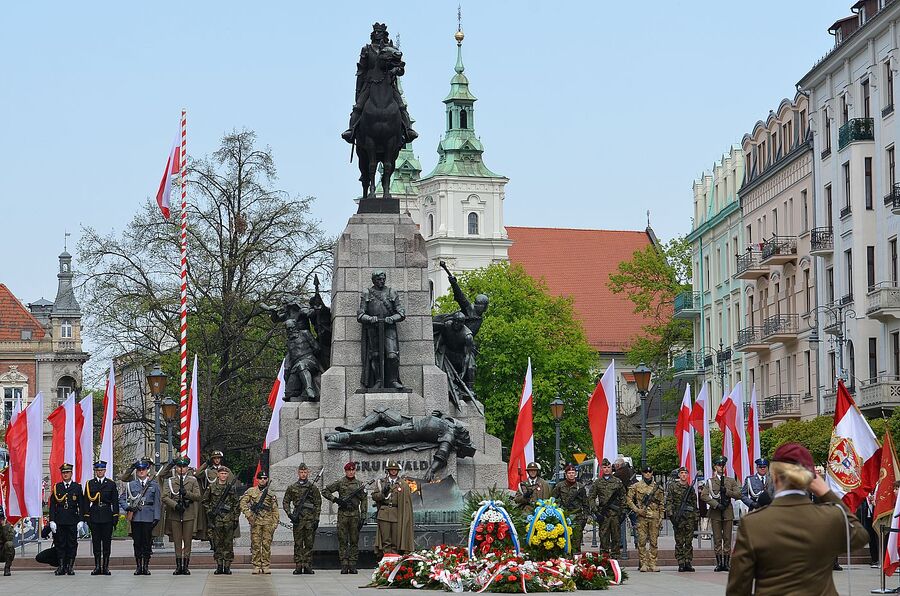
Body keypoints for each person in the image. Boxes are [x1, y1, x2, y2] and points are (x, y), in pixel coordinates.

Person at [726, 442, 869, 596]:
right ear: (810, 479)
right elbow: (861, 536)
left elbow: (738, 589)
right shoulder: (830, 516)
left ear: (773, 475)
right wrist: (827, 493)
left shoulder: (752, 524)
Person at [341, 22, 417, 144]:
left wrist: (396, 70)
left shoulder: (392, 50)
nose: (378, 34)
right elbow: (361, 70)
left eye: (380, 32)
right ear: (372, 34)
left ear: (384, 34)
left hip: (388, 83)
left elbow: (401, 68)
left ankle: (408, 130)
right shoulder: (366, 49)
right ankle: (351, 130)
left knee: (401, 106)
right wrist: (359, 89)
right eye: (376, 32)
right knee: (358, 107)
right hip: (370, 83)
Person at [358, 271, 406, 389]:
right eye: (379, 279)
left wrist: (392, 318)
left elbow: (401, 313)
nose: (382, 281)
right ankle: (378, 380)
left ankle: (393, 380)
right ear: (373, 280)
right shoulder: (367, 293)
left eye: (383, 279)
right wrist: (370, 318)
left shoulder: (391, 292)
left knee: (392, 356)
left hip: (388, 327)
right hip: (373, 328)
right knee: (375, 355)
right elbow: (360, 315)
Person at [323, 462, 369, 574]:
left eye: (353, 470)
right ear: (346, 471)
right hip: (343, 515)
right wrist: (336, 500)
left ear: (355, 471)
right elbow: (325, 491)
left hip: (355, 515)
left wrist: (363, 515)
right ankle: (344, 564)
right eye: (349, 470)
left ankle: (352, 564)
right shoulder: (340, 482)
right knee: (343, 540)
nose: (351, 472)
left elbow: (364, 500)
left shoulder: (359, 484)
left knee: (354, 540)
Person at [161, 456, 202, 575]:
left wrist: (187, 493)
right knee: (177, 541)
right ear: (176, 467)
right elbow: (164, 497)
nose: (182, 469)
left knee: (188, 541)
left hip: (188, 513)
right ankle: (178, 566)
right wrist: (175, 505)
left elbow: (198, 496)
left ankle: (186, 566)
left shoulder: (193, 480)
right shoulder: (170, 480)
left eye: (184, 466)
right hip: (175, 514)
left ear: (187, 467)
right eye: (179, 466)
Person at [120, 459, 161, 575]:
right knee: (137, 543)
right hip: (136, 517)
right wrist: (128, 508)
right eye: (139, 470)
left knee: (147, 543)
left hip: (148, 516)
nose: (141, 472)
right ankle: (138, 567)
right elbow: (122, 498)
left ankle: (146, 566)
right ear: (137, 471)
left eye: (143, 469)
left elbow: (157, 502)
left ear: (147, 470)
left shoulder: (154, 485)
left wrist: (156, 516)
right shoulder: (131, 484)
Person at [700, 455, 741, 571]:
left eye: (722, 465)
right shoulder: (710, 481)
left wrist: (726, 491)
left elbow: (738, 494)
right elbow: (704, 495)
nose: (721, 467)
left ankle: (726, 563)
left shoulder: (730, 480)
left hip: (727, 512)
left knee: (727, 538)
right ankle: (719, 563)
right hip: (716, 512)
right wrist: (716, 504)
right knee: (717, 539)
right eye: (719, 465)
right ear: (715, 467)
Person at [283, 463, 322, 575]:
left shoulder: (313, 487)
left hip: (310, 520)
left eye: (305, 472)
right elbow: (286, 501)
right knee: (298, 543)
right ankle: (298, 565)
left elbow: (318, 503)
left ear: (308, 473)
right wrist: (290, 514)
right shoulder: (292, 487)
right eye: (301, 472)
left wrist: (317, 519)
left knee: (309, 543)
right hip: (298, 520)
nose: (303, 474)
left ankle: (308, 565)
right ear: (298, 473)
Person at [82, 460, 119, 575]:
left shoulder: (111, 484)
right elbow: (85, 502)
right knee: (96, 543)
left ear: (105, 471)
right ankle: (97, 566)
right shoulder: (90, 484)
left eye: (102, 470)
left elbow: (115, 502)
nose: (100, 472)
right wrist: (87, 516)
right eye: (98, 470)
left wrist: (115, 516)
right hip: (94, 515)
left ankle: (105, 567)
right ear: (95, 471)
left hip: (107, 515)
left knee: (107, 543)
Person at [240, 470, 280, 575]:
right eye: (261, 478)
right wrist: (248, 515)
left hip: (267, 522)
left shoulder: (271, 494)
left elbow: (275, 509)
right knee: (256, 544)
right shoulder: (251, 491)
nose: (263, 480)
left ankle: (266, 565)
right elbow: (243, 502)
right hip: (255, 521)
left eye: (265, 478)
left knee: (266, 545)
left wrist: (275, 523)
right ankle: (256, 565)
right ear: (257, 479)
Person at [371, 460, 414, 559]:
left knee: (395, 540)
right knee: (386, 540)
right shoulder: (381, 482)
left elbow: (406, 502)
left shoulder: (403, 484)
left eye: (395, 470)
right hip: (384, 514)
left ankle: (394, 561)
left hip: (396, 514)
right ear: (388, 470)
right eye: (391, 469)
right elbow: (374, 497)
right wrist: (383, 494)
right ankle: (386, 560)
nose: (393, 471)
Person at [626, 465, 664, 572]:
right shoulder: (636, 486)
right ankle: (643, 563)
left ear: (652, 473)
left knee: (653, 541)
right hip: (641, 517)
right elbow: (629, 499)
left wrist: (661, 517)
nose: (648, 474)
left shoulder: (658, 487)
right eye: (645, 472)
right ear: (642, 473)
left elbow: (661, 504)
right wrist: (637, 510)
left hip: (654, 517)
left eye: (650, 472)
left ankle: (653, 563)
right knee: (641, 541)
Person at [49, 462, 84, 576]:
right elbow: (52, 506)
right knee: (60, 544)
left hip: (72, 520)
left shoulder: (77, 487)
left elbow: (81, 505)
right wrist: (52, 520)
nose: (65, 475)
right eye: (63, 473)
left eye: (67, 472)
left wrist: (81, 520)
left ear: (71, 473)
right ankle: (61, 566)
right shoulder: (57, 487)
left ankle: (70, 566)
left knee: (72, 544)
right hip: (60, 520)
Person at [203, 467, 239, 575]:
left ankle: (227, 566)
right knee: (217, 543)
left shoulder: (231, 488)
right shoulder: (212, 487)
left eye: (225, 473)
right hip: (216, 520)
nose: (223, 475)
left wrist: (235, 517)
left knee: (228, 544)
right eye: (221, 473)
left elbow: (236, 504)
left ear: (227, 475)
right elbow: (205, 501)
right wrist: (210, 511)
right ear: (218, 474)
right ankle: (219, 566)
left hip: (228, 519)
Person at [589, 458, 626, 559]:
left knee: (616, 538)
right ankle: (604, 559)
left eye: (608, 467)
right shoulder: (597, 482)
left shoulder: (617, 482)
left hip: (615, 515)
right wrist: (595, 512)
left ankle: (615, 560)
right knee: (604, 538)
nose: (606, 469)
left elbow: (623, 497)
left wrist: (622, 513)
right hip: (603, 515)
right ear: (601, 468)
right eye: (604, 467)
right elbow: (591, 497)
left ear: (611, 468)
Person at [666, 466, 698, 572]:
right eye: (682, 473)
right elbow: (669, 501)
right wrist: (671, 515)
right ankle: (680, 562)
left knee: (688, 541)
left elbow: (694, 504)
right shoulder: (673, 487)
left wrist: (695, 518)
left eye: (685, 473)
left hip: (689, 518)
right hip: (678, 518)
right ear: (679, 475)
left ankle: (688, 562)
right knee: (679, 541)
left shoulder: (690, 489)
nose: (684, 475)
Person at [551, 464, 588, 554]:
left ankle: (576, 560)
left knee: (577, 539)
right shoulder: (560, 486)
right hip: (564, 516)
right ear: (566, 474)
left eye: (573, 473)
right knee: (564, 539)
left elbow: (585, 503)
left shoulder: (580, 486)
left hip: (577, 516)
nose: (571, 475)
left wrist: (585, 517)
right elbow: (552, 499)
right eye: (569, 473)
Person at [614, 457, 638, 552]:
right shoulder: (632, 471)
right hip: (634, 501)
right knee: (635, 522)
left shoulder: (618, 474)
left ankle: (621, 543)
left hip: (623, 502)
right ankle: (638, 542)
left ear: (618, 465)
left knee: (621, 522)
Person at [0, 505, 14, 576]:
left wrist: (4, 526)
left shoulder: (7, 526)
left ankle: (7, 568)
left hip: (2, 552)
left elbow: (9, 538)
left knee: (9, 544)